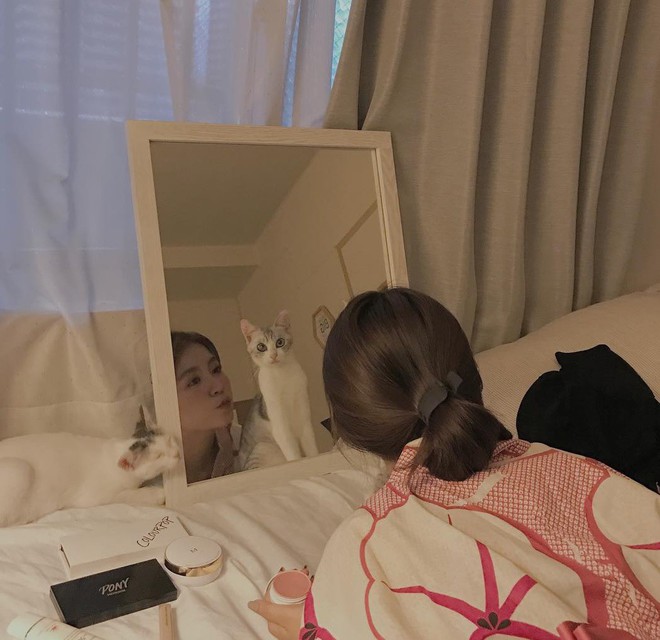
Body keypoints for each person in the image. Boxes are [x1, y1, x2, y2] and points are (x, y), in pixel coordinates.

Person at [248, 287, 660, 639]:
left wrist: (309, 627)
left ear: (349, 428)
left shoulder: (364, 549)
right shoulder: (569, 466)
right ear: (472, 375)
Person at [171, 331, 236, 482]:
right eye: (194, 381)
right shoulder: (141, 477)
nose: (219, 386)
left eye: (216, 369)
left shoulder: (249, 447)